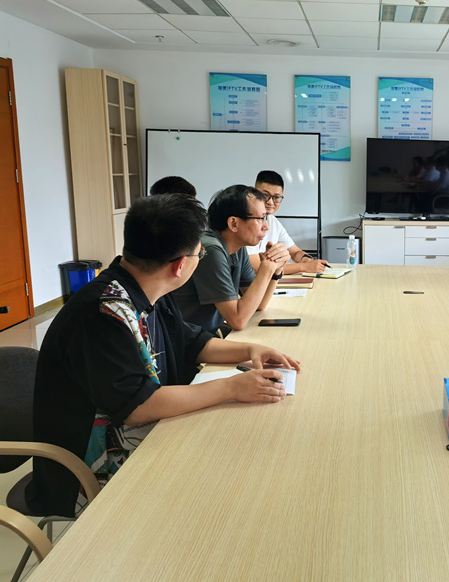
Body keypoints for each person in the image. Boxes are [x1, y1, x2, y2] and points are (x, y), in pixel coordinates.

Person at [27, 194, 301, 516]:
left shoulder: (147, 286)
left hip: (144, 432)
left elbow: (191, 341)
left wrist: (251, 349)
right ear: (180, 265)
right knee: (231, 481)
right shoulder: (105, 312)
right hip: (85, 470)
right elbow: (139, 406)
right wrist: (231, 387)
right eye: (200, 253)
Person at [172, 184, 290, 333]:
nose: (266, 227)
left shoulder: (238, 248)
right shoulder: (211, 249)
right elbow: (238, 320)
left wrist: (276, 270)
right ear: (234, 223)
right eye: (260, 219)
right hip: (186, 341)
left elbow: (258, 305)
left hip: (206, 336)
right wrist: (266, 268)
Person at [247, 170, 329, 274]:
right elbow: (257, 268)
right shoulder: (246, 222)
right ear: (254, 192)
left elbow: (295, 252)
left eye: (276, 197)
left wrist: (307, 260)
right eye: (265, 195)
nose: (270, 202)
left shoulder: (272, 220)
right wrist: (304, 267)